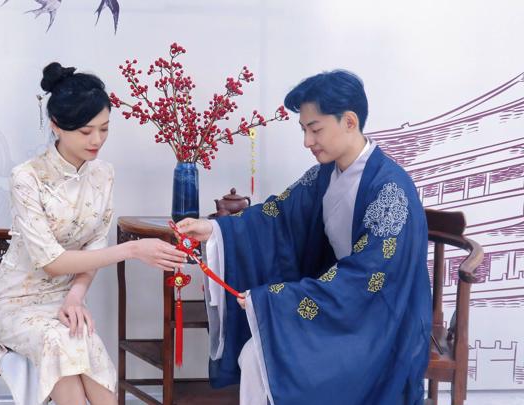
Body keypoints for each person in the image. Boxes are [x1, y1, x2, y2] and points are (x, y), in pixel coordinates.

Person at [177, 70, 432, 405]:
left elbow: (368, 278)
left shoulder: (391, 192)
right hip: (339, 305)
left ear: (349, 122)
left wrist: (275, 300)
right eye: (304, 130)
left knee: (262, 358)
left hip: (378, 322)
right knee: (256, 355)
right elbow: (277, 217)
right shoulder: (324, 175)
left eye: (315, 129)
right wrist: (215, 229)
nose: (307, 142)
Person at [0, 62, 186, 405]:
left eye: (104, 129)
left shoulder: (103, 174)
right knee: (62, 341)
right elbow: (52, 262)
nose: (97, 140)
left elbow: (95, 242)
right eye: (86, 131)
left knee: (76, 337)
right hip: (15, 302)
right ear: (56, 125)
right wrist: (132, 250)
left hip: (66, 299)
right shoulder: (27, 178)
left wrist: (75, 296)